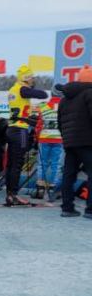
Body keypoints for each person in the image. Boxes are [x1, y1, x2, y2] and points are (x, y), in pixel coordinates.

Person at [4, 65, 48, 206]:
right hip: (20, 130)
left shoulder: (13, 89)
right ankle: (14, 195)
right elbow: (43, 94)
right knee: (17, 164)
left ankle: (10, 194)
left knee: (11, 164)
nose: (33, 80)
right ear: (26, 78)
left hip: (11, 129)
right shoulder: (22, 89)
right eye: (32, 77)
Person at [56, 65, 92, 218]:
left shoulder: (65, 98)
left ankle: (67, 208)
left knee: (68, 175)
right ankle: (90, 210)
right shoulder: (90, 93)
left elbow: (60, 123)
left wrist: (67, 139)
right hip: (88, 142)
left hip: (70, 143)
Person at [34, 94, 63, 200]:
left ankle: (40, 189)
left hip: (44, 138)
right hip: (59, 139)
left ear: (51, 94)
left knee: (42, 164)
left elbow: (39, 125)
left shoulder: (43, 106)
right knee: (57, 165)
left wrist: (36, 138)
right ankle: (53, 190)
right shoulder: (64, 106)